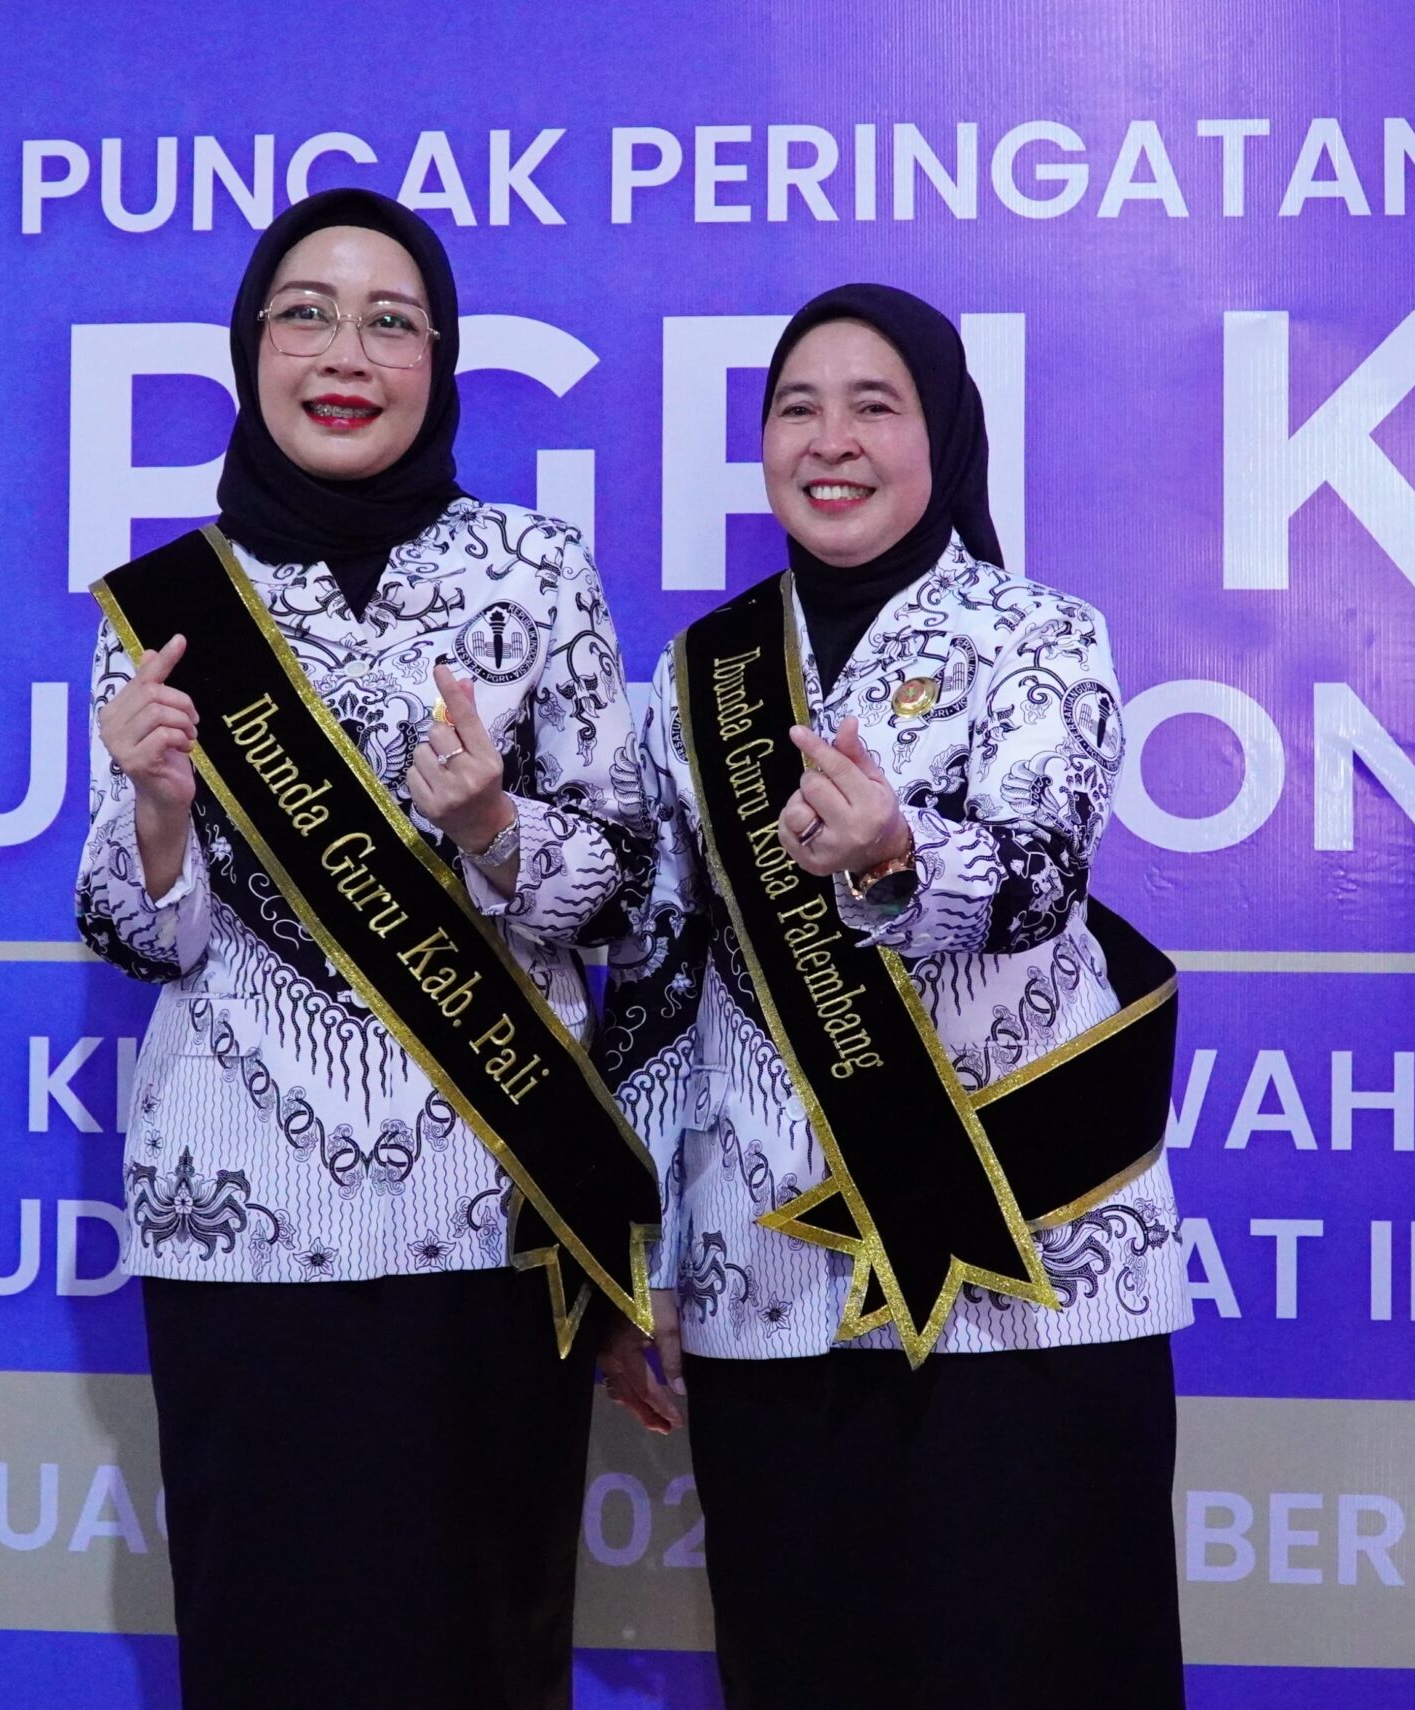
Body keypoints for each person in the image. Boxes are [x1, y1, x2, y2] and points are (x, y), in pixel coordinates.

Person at [76, 188, 658, 1710]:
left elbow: (625, 883)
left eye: (391, 322)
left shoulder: (535, 569)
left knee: (479, 1649)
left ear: (440, 361)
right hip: (237, 1223)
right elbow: (139, 932)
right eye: (308, 314)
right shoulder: (171, 605)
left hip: (490, 1217)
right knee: (268, 1645)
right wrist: (155, 810)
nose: (347, 352)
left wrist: (495, 831)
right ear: (251, 348)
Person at [596, 284, 1191, 1707]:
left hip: (1020, 1275)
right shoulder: (700, 675)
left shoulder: (1041, 635)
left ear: (946, 436)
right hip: (770, 1284)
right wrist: (641, 1252)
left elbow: (1040, 877)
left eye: (876, 405)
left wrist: (897, 855)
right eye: (797, 408)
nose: (831, 440)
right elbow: (661, 984)